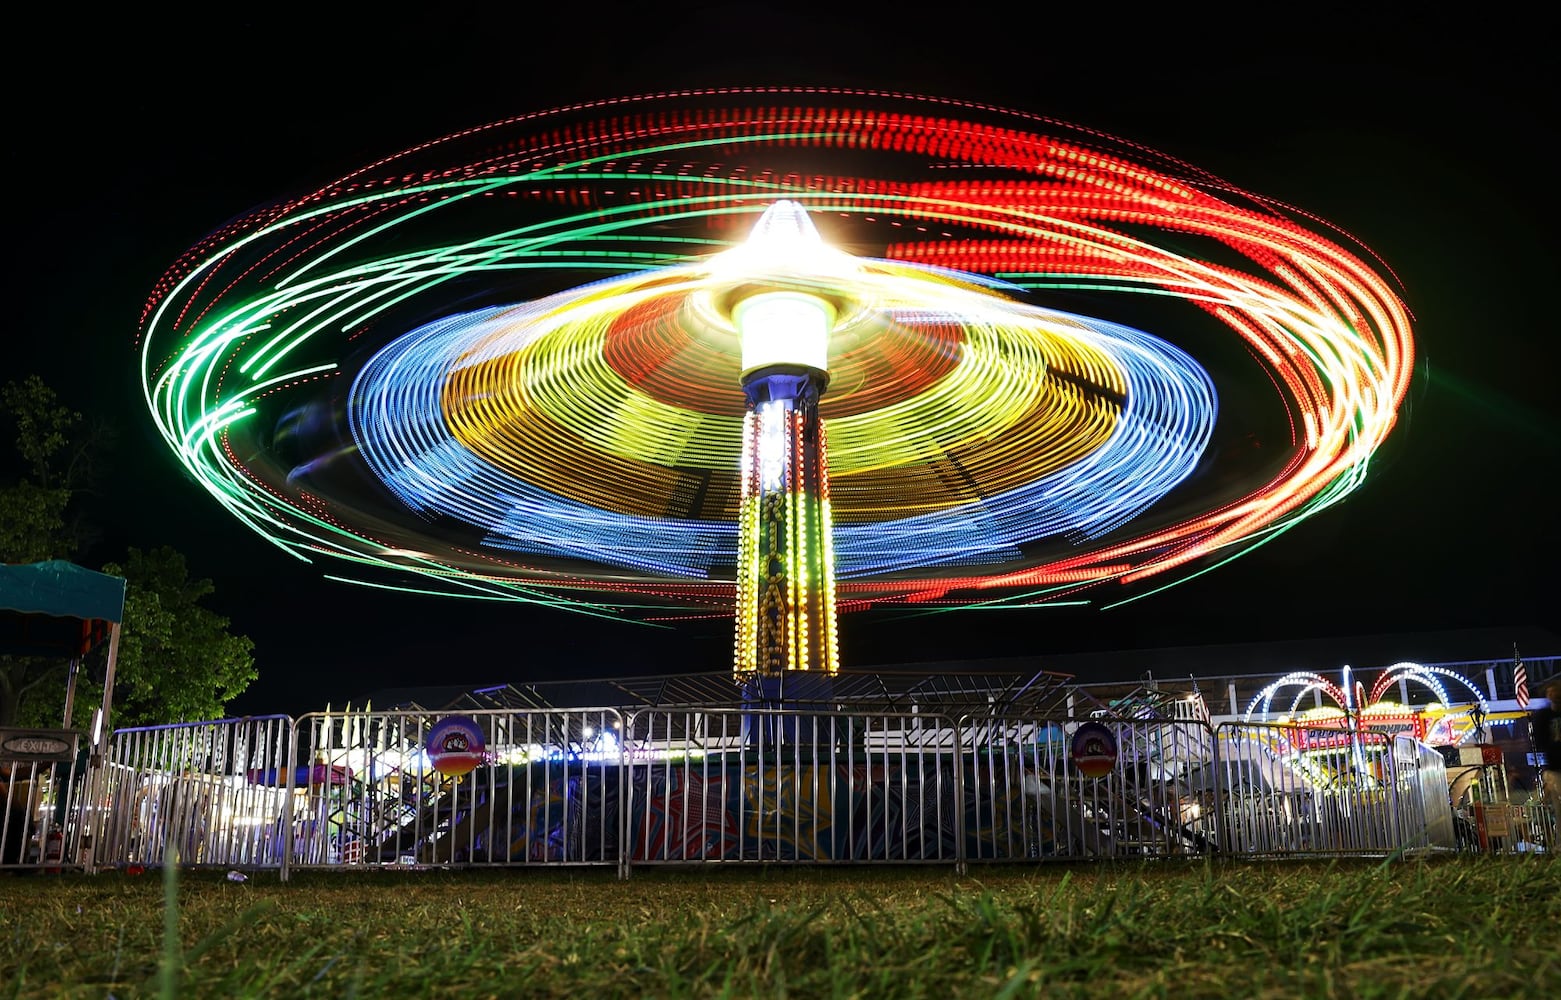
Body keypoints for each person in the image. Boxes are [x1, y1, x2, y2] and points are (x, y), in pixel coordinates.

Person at [1529, 680, 1561, 817]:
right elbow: (1539, 740)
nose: (1553, 695)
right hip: (1554, 768)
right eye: (1550, 692)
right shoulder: (1544, 716)